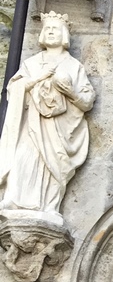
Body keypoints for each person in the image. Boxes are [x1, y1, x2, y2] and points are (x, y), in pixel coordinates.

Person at [0, 11, 95, 214]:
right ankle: (15, 200)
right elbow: (13, 89)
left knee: (55, 165)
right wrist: (37, 79)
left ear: (64, 35)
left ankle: (49, 206)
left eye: (55, 29)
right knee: (23, 158)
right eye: (48, 29)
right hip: (32, 125)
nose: (51, 32)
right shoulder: (31, 63)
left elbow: (87, 102)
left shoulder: (74, 66)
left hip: (60, 130)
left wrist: (70, 92)